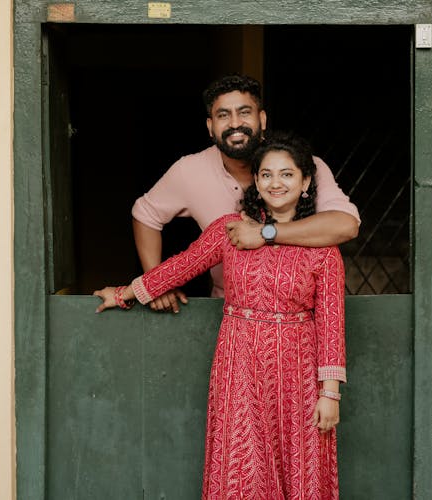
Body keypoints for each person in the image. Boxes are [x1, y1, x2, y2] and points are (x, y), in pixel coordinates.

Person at [95, 132, 346, 499]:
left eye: (287, 174)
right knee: (240, 460)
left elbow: (332, 321)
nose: (276, 183)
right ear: (256, 182)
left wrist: (331, 394)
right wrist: (125, 294)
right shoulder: (230, 230)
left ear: (306, 181)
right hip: (239, 361)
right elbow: (181, 267)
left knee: (300, 460)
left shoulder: (323, 248)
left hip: (298, 368)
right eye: (266, 175)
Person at [132, 74, 359, 312]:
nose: (234, 123)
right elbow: (145, 215)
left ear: (262, 118)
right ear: (210, 126)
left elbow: (346, 225)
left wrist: (266, 233)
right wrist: (156, 283)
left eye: (244, 112)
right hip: (227, 314)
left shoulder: (300, 165)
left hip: (302, 316)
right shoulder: (188, 171)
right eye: (223, 115)